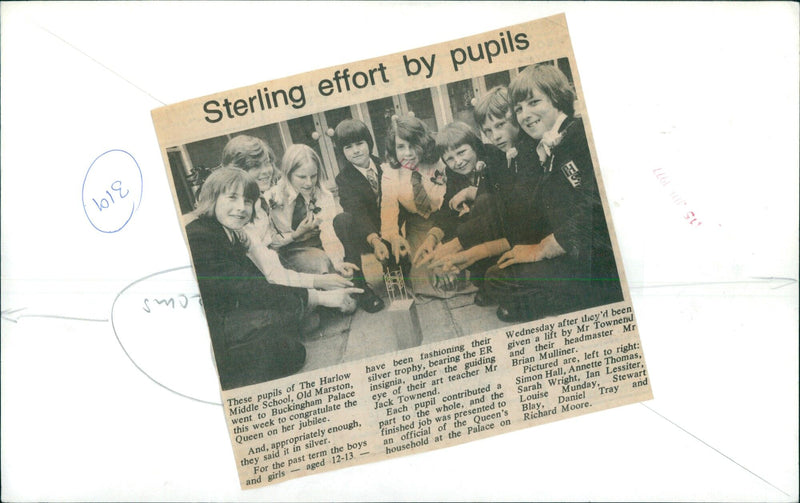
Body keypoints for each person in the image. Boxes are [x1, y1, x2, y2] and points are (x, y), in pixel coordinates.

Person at [185, 167, 360, 389]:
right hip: (212, 336)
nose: (241, 208)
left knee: (288, 332)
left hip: (231, 316)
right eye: (232, 198)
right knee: (290, 350)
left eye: (247, 201)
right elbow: (251, 289)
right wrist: (321, 298)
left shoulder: (224, 231)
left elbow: (258, 282)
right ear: (211, 198)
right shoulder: (200, 237)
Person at [483, 64, 623, 321]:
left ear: (557, 98)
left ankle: (596, 301)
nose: (525, 115)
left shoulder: (579, 136)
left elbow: (596, 208)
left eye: (534, 102)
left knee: (501, 280)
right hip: (576, 256)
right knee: (497, 275)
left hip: (599, 261)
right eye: (519, 109)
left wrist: (542, 249)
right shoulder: (544, 146)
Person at [266, 144, 359, 279]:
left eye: (313, 176)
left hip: (320, 246)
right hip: (291, 252)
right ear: (289, 174)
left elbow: (329, 233)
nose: (309, 183)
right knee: (319, 261)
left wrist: (337, 262)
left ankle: (357, 281)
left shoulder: (323, 195)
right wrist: (296, 234)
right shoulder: (275, 197)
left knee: (343, 220)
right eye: (302, 177)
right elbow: (272, 242)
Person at [331, 119, 389, 313]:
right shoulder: (344, 179)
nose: (355, 150)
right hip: (365, 233)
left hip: (392, 228)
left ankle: (395, 267)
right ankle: (362, 287)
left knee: (401, 277)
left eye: (359, 144)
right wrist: (373, 238)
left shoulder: (386, 166)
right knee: (343, 220)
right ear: (342, 152)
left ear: (369, 143)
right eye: (348, 147)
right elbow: (356, 211)